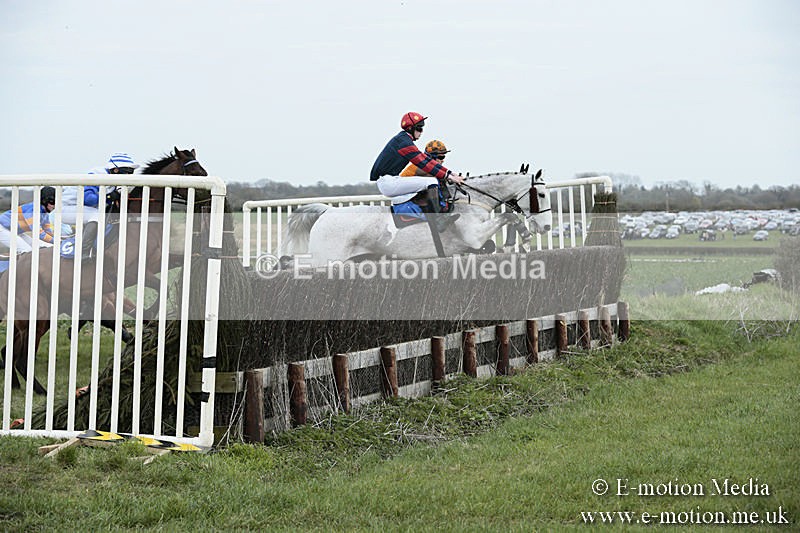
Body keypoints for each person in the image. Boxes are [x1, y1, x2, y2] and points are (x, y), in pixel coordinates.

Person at [370, 112, 464, 231]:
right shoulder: (404, 142)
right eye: (419, 128)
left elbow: (427, 161)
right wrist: (449, 175)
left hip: (390, 180)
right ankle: (438, 220)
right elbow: (424, 162)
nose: (421, 132)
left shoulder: (402, 140)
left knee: (431, 182)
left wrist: (450, 173)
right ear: (410, 128)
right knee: (432, 182)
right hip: (388, 182)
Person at [61, 152, 139, 259]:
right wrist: (111, 196)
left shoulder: (112, 179)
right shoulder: (97, 175)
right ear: (115, 170)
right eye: (126, 172)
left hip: (82, 209)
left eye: (131, 172)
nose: (128, 176)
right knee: (97, 215)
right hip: (66, 209)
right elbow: (88, 199)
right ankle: (84, 252)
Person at [0, 186, 57, 254]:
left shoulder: (44, 214)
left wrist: (59, 239)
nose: (55, 206)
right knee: (27, 251)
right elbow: (39, 234)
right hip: (2, 228)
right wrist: (57, 241)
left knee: (48, 246)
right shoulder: (32, 210)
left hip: (14, 231)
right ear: (44, 201)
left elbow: (47, 231)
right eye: (53, 202)